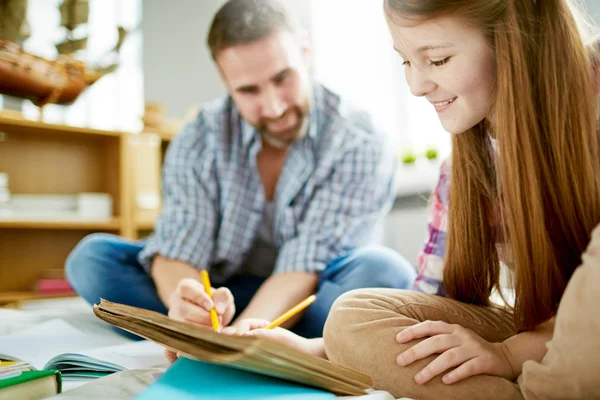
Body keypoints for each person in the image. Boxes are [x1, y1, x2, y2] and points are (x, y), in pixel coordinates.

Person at [222, 1, 600, 399]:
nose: (417, 86)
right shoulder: (467, 170)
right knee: (352, 318)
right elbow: (433, 309)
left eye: (437, 60)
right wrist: (309, 353)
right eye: (405, 61)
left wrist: (509, 354)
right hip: (540, 338)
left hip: (573, 339)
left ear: (512, 40)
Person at [65, 0, 416, 340]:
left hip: (313, 293)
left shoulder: (359, 139)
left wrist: (242, 337)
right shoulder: (200, 137)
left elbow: (306, 264)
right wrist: (183, 303)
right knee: (92, 260)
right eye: (249, 90)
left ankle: (276, 336)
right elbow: (178, 250)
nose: (274, 107)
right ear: (224, 80)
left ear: (305, 52)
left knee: (383, 271)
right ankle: (210, 332)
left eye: (283, 78)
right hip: (223, 296)